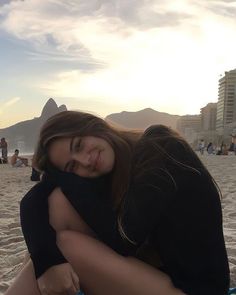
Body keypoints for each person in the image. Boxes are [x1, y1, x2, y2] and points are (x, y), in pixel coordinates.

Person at [5, 111, 229, 295]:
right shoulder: (114, 173)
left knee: (65, 245)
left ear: (94, 126)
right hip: (160, 276)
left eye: (79, 145)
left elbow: (124, 239)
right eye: (73, 167)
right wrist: (47, 261)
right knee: (55, 211)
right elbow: (37, 201)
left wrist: (61, 176)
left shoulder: (161, 146)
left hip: (197, 290)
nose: (86, 160)